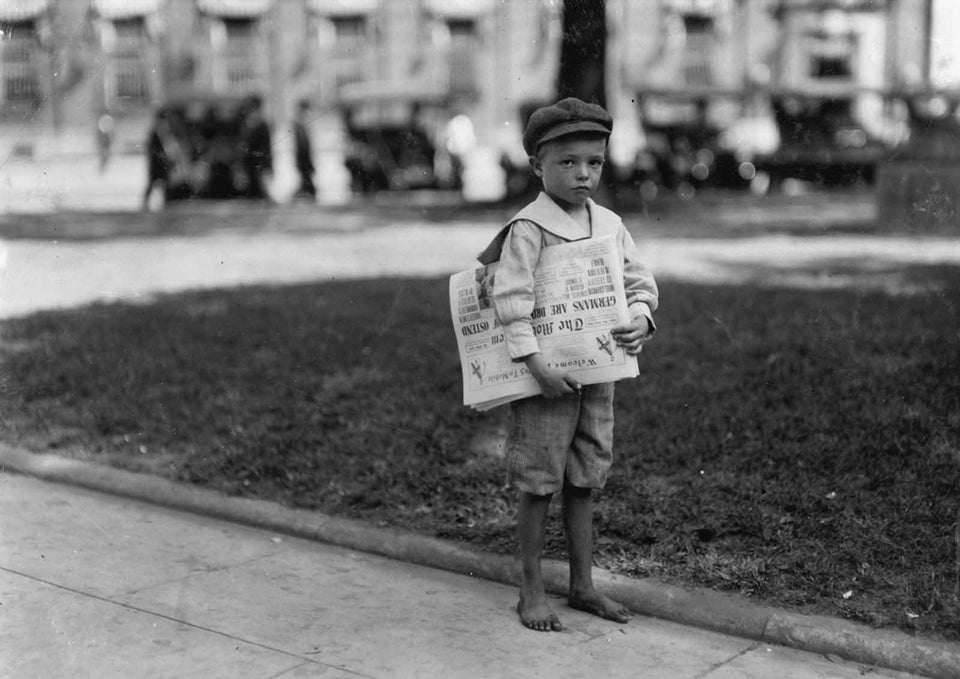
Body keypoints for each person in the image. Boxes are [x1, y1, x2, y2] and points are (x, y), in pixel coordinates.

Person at [476, 97, 659, 632]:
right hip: (545, 382)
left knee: (585, 480)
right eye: (567, 162)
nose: (583, 174)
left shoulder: (609, 223)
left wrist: (642, 318)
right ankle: (530, 590)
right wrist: (535, 364)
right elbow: (511, 300)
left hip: (598, 376)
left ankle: (583, 585)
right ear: (537, 165)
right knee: (538, 483)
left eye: (594, 162)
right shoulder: (529, 228)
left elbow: (639, 284)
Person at [240, 95, 273, 200]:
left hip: (258, 164)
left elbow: (265, 147)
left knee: (259, 191)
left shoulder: (260, 123)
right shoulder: (250, 122)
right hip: (252, 164)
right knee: (254, 191)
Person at [293, 99, 317, 199]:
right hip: (303, 155)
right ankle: (308, 191)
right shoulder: (299, 124)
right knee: (306, 175)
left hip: (305, 155)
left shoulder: (302, 123)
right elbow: (301, 143)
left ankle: (308, 190)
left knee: (306, 175)